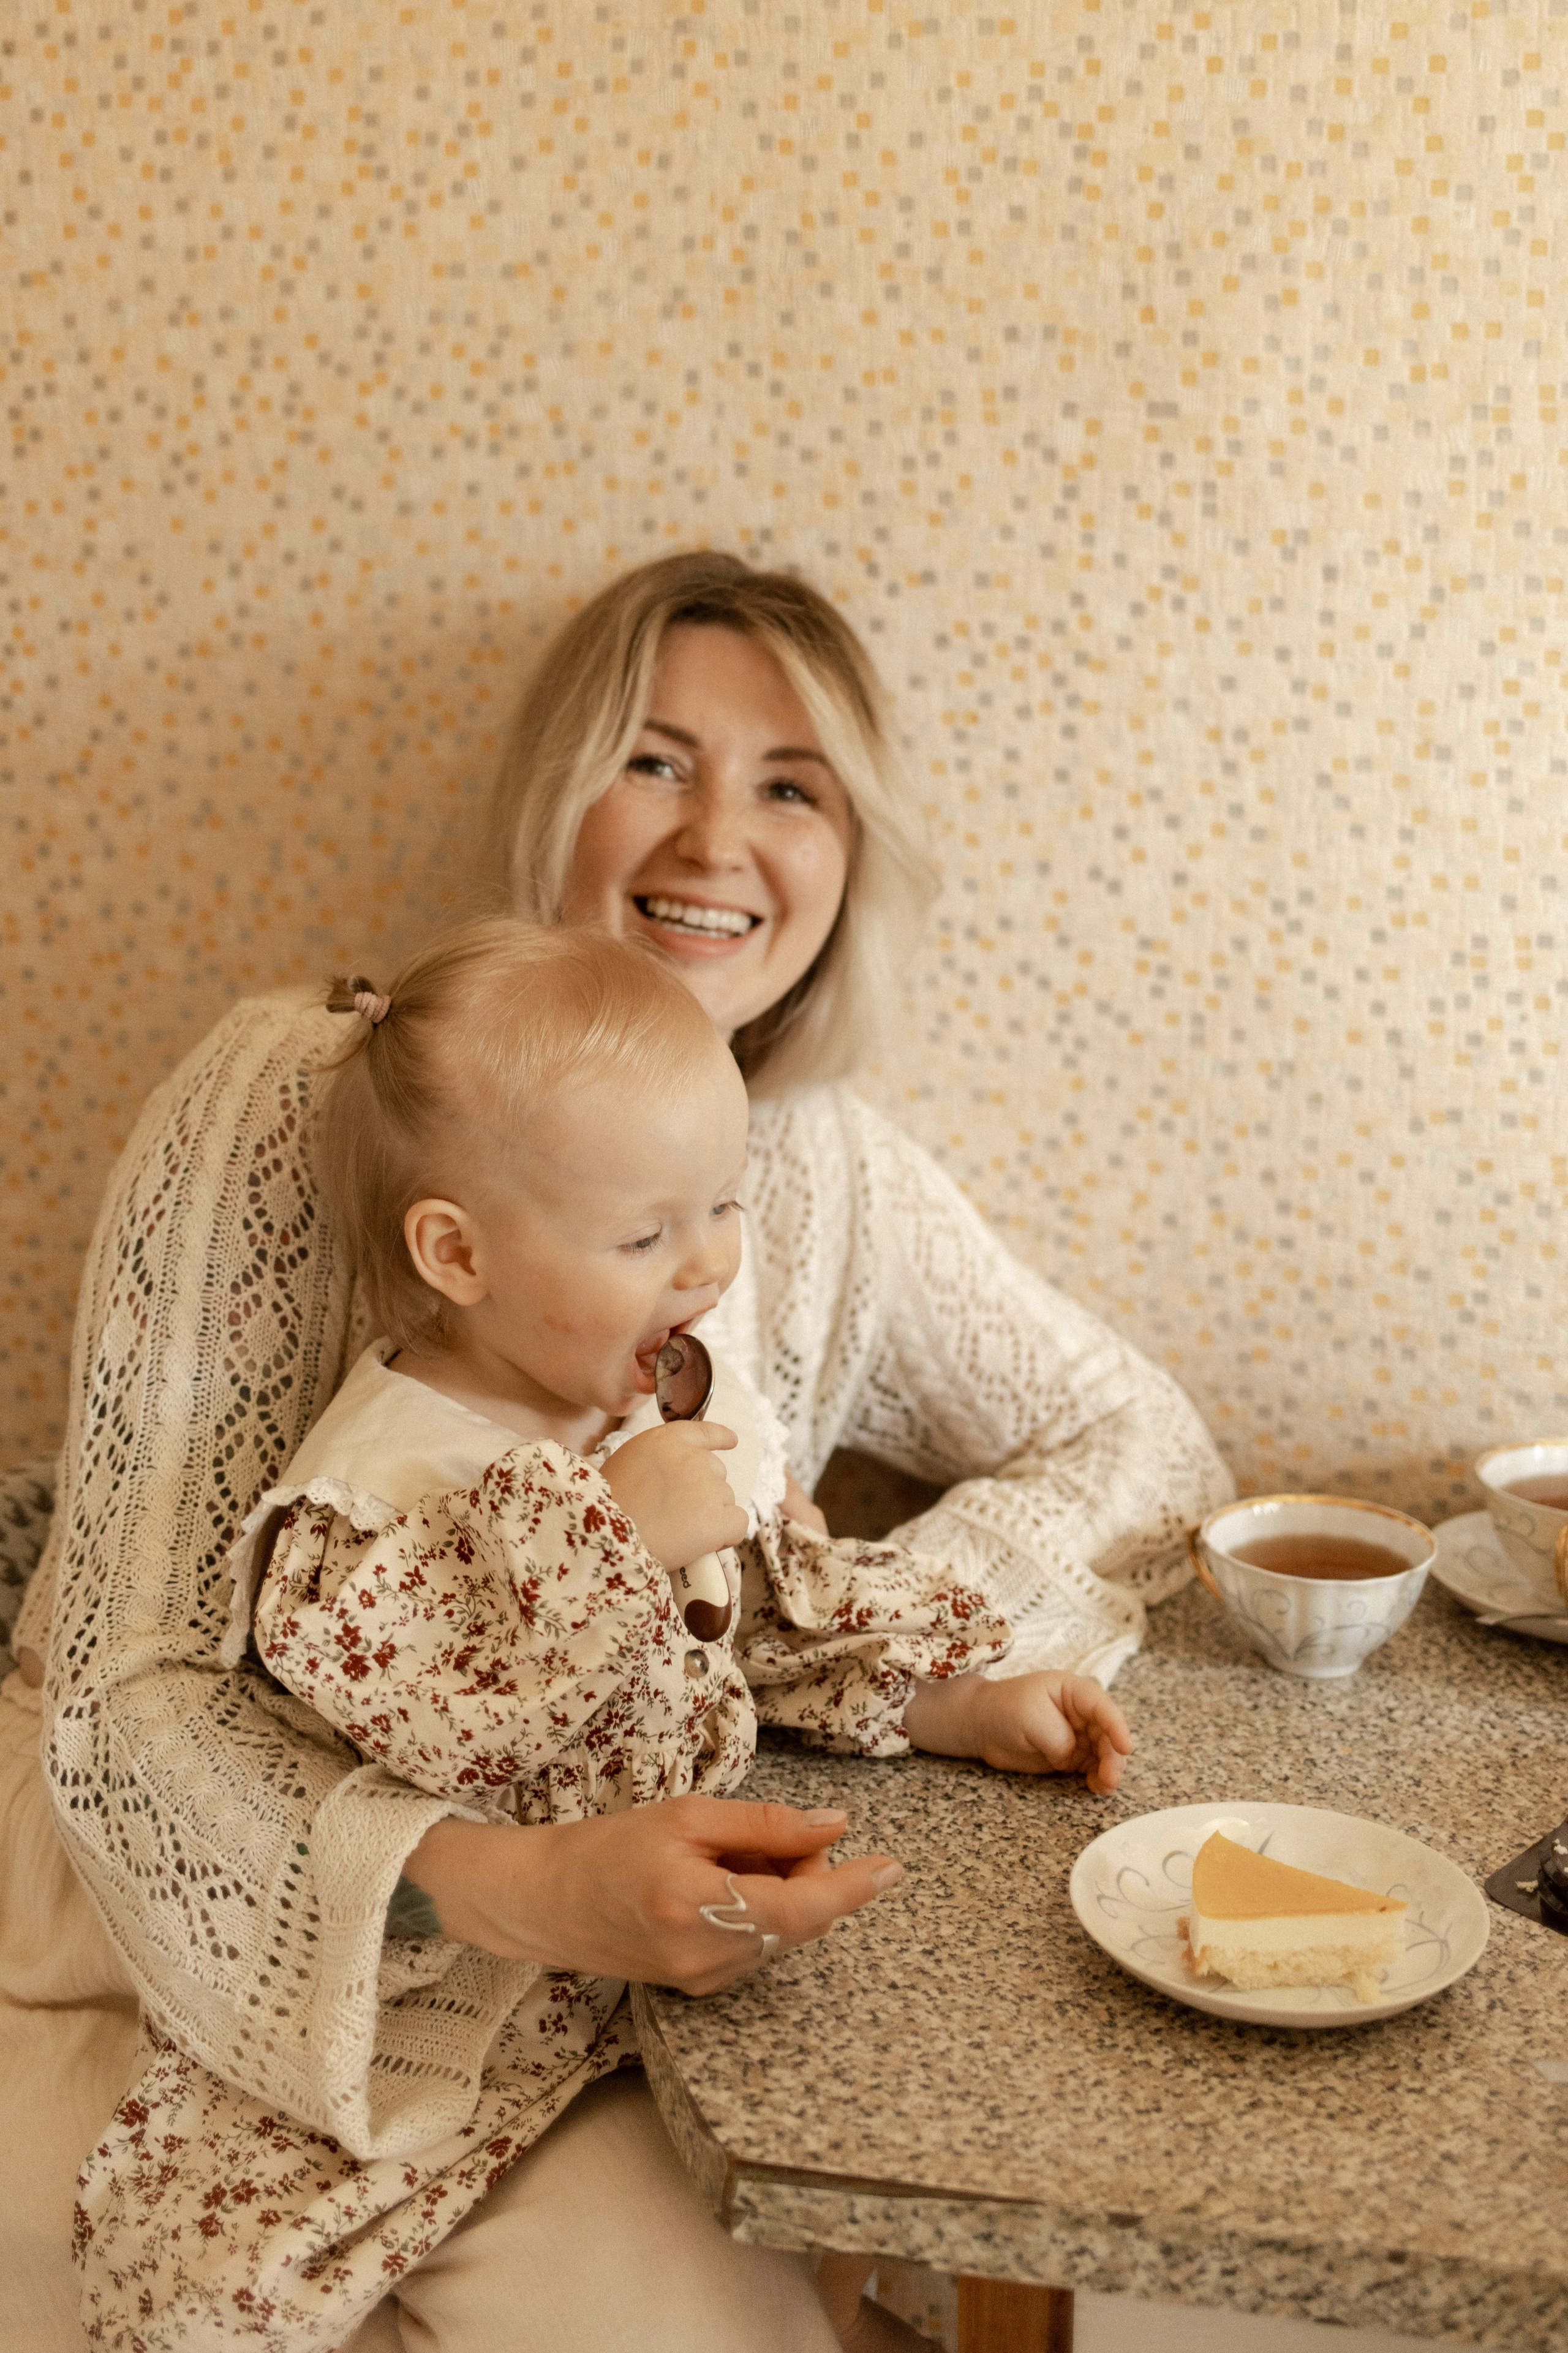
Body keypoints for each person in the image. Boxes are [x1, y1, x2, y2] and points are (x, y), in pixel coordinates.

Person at [3, 550, 1232, 2353]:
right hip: (161, 1950)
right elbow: (135, 1697)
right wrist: (519, 1869)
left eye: (791, 785)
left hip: (572, 2008)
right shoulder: (296, 1096)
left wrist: (933, 1670)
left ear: (846, 853)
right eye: (653, 759)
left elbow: (1132, 1444)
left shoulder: (820, 1171)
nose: (716, 838)